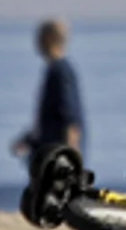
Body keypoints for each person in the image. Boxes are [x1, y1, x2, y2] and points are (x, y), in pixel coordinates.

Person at [12, 18, 84, 163]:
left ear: (50, 38)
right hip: (48, 154)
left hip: (58, 159)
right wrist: (29, 140)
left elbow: (70, 118)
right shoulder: (53, 70)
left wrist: (72, 156)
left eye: (39, 37)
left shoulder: (61, 71)